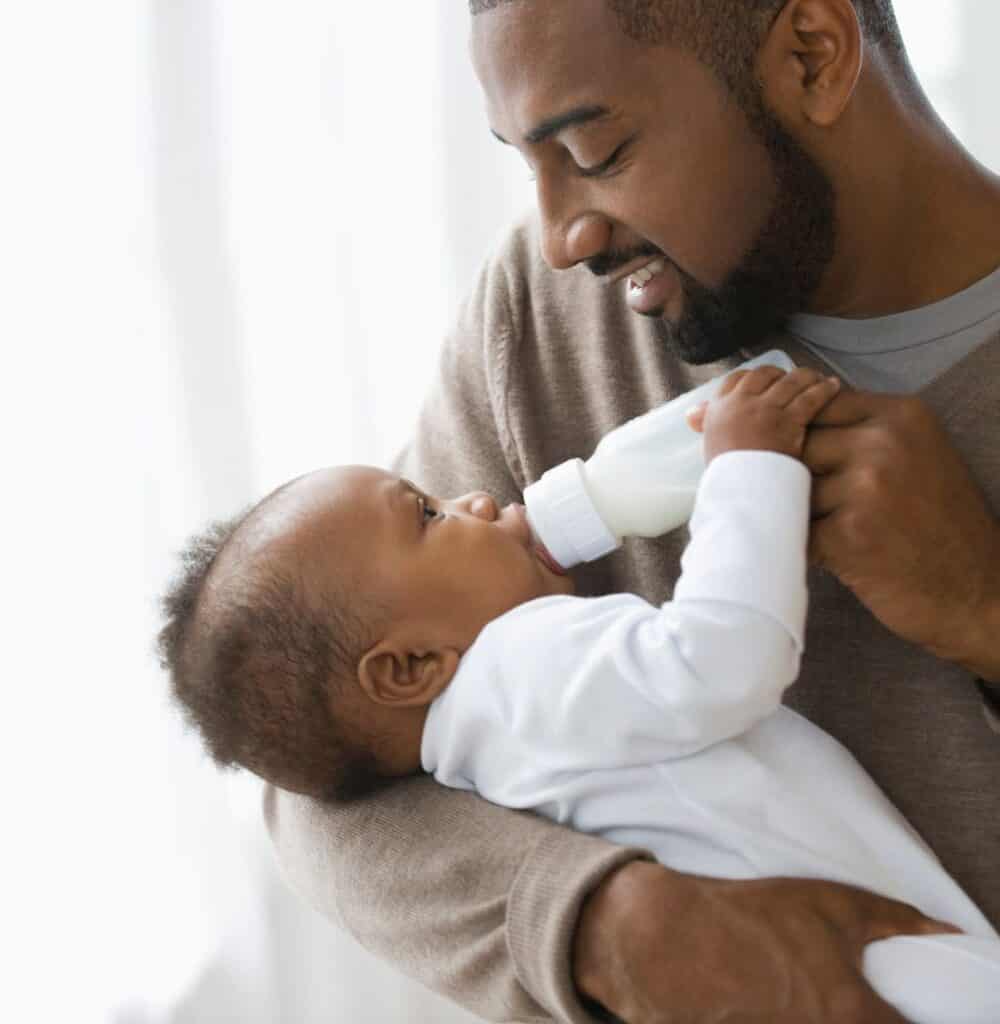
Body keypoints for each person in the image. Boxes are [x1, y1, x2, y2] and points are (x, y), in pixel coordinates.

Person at [265, 2, 1000, 1021]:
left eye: (595, 149)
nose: (562, 236)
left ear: (812, 55)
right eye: (526, 162)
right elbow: (316, 749)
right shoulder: (547, 309)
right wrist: (611, 924)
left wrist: (984, 612)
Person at [161, 366, 999, 1023]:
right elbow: (719, 660)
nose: (477, 497)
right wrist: (749, 466)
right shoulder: (521, 665)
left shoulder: (474, 752)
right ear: (410, 668)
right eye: (429, 515)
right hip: (868, 971)